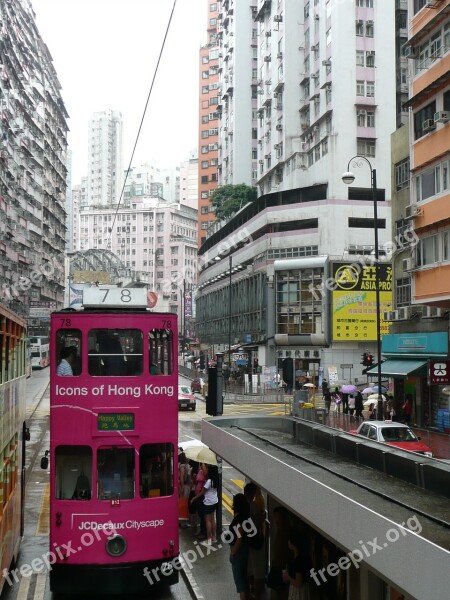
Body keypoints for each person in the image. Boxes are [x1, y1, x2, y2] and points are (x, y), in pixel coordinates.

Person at [244, 482, 266, 600]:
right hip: (256, 538)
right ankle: (257, 595)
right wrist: (262, 515)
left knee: (250, 568)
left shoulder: (244, 506)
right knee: (258, 569)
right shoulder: (253, 505)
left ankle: (250, 591)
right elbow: (259, 519)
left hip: (247, 540)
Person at [229, 492, 251, 600]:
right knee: (244, 579)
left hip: (239, 551)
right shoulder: (246, 516)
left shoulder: (239, 519)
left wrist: (233, 553)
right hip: (246, 549)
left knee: (240, 580)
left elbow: (239, 538)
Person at [190, 462, 219, 544]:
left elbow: (202, 492)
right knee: (213, 519)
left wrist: (194, 498)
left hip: (208, 502)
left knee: (208, 521)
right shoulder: (215, 480)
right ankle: (214, 537)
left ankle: (209, 539)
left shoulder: (209, 481)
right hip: (214, 501)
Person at [282, 529, 312, 600]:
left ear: (293, 542)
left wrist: (288, 577)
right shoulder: (304, 556)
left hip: (298, 592)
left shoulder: (298, 560)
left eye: (289, 540)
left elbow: (298, 583)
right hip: (303, 590)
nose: (288, 542)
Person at [178, 452, 192, 527]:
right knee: (184, 502)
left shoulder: (183, 465)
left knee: (183, 502)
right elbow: (182, 476)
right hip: (185, 486)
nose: (189, 458)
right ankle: (183, 522)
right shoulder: (183, 466)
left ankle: (182, 520)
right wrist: (183, 486)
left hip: (184, 486)